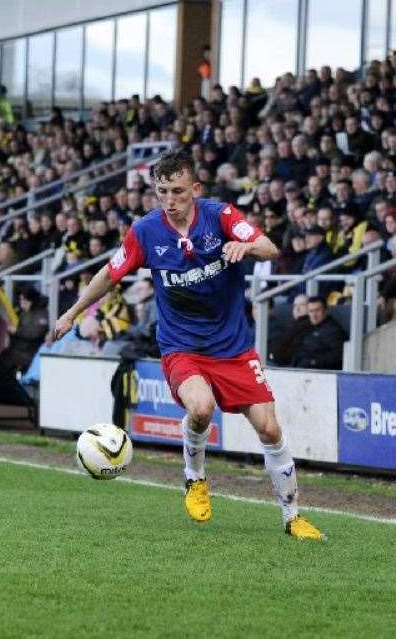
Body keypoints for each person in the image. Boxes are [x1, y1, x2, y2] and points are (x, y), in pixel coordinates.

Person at [52, 150, 323, 540]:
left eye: (178, 191)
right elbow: (109, 274)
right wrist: (72, 313)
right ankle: (195, 478)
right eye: (162, 191)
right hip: (182, 345)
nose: (170, 200)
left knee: (269, 428)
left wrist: (244, 247)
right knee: (201, 407)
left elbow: (270, 247)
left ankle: (293, 517)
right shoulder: (145, 231)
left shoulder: (221, 216)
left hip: (233, 346)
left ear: (195, 189)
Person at [291, 297, 347, 370]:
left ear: (326, 311)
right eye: (311, 311)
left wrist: (313, 362)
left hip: (317, 372)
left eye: (317, 310)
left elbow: (337, 355)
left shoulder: (333, 330)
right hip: (297, 367)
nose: (314, 315)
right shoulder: (307, 327)